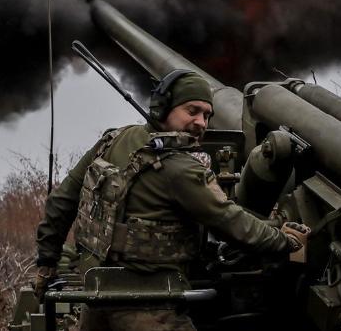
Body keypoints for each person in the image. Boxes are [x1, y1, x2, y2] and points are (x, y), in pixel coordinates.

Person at [34, 70, 309, 331]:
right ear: (162, 108)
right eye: (192, 111)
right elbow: (231, 223)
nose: (201, 123)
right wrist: (284, 241)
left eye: (207, 115)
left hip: (97, 294)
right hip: (148, 303)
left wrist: (47, 264)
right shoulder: (181, 168)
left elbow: (61, 201)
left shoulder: (112, 140)